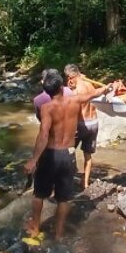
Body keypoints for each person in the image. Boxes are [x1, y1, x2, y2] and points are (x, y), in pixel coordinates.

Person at [23, 72, 113, 240]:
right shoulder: (75, 100)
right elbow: (93, 93)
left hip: (50, 155)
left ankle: (35, 228)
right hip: (68, 154)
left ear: (47, 91)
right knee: (63, 198)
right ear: (61, 87)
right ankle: (59, 234)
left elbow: (43, 135)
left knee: (39, 194)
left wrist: (33, 160)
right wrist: (107, 87)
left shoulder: (46, 108)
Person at [63, 64, 99, 188]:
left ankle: (67, 179)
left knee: (68, 151)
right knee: (87, 155)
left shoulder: (76, 90)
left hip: (81, 124)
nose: (68, 80)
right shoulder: (89, 84)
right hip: (94, 122)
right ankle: (85, 183)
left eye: (67, 77)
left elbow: (72, 108)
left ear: (70, 76)